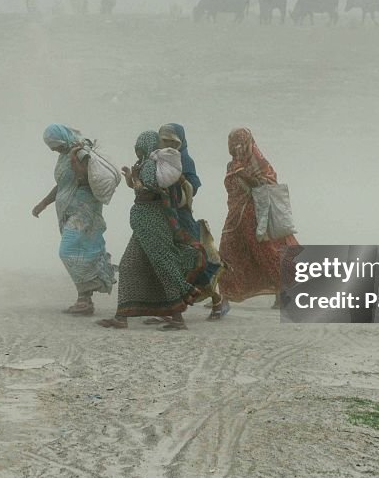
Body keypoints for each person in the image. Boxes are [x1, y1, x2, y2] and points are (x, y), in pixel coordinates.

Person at [97, 131, 207, 330]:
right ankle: (122, 316)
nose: (136, 149)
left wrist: (135, 181)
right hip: (146, 225)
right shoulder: (147, 164)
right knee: (132, 266)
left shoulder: (149, 164)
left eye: (138, 145)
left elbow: (146, 189)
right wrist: (132, 178)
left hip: (151, 224)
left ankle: (176, 318)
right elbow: (146, 188)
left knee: (162, 266)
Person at [146, 123, 227, 321]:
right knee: (163, 263)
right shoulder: (155, 158)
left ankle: (217, 300)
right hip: (161, 217)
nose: (170, 145)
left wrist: (179, 180)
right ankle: (167, 308)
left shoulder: (185, 160)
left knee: (192, 264)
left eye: (174, 142)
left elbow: (193, 187)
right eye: (165, 140)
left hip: (180, 219)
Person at [32, 124, 115, 315]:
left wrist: (73, 159)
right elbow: (63, 184)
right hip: (70, 212)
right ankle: (84, 300)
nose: (53, 150)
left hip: (85, 211)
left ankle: (85, 297)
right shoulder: (66, 154)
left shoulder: (81, 152)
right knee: (79, 251)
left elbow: (85, 178)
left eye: (55, 145)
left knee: (69, 251)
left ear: (63, 140)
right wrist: (44, 203)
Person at [217, 127, 299, 308]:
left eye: (240, 144)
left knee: (266, 254)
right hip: (235, 217)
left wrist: (243, 174)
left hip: (256, 218)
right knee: (227, 252)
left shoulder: (257, 163)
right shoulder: (231, 165)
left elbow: (266, 184)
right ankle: (224, 296)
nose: (236, 148)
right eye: (233, 144)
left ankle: (281, 294)